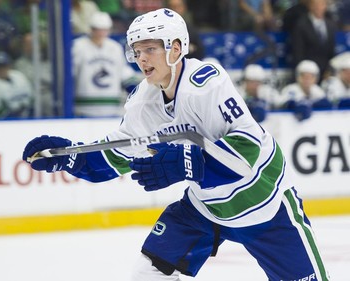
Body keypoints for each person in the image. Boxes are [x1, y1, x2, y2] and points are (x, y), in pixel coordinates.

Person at [22, 8, 330, 280]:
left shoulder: (207, 82)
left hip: (265, 205)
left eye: (150, 49)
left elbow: (246, 153)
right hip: (205, 209)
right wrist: (69, 158)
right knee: (149, 271)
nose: (141, 58)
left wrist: (189, 162)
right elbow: (116, 156)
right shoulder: (143, 102)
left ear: (176, 48)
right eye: (136, 51)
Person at [72, 11, 139, 117]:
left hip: (111, 107)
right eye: (97, 29)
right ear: (91, 29)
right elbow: (71, 75)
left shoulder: (115, 47)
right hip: (83, 107)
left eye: (104, 30)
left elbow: (124, 73)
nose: (101, 33)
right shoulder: (78, 46)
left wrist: (135, 91)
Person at [291, 0, 337, 83]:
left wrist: (329, 70)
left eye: (322, 4)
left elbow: (331, 51)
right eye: (315, 5)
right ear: (310, 6)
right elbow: (298, 52)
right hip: (308, 73)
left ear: (325, 6)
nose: (318, 7)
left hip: (326, 73)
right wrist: (306, 72)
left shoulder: (330, 24)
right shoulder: (300, 25)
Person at [0, 51, 33, 119]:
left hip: (24, 118)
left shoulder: (18, 75)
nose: (1, 69)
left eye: (4, 66)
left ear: (9, 65)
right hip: (0, 122)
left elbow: (32, 97)